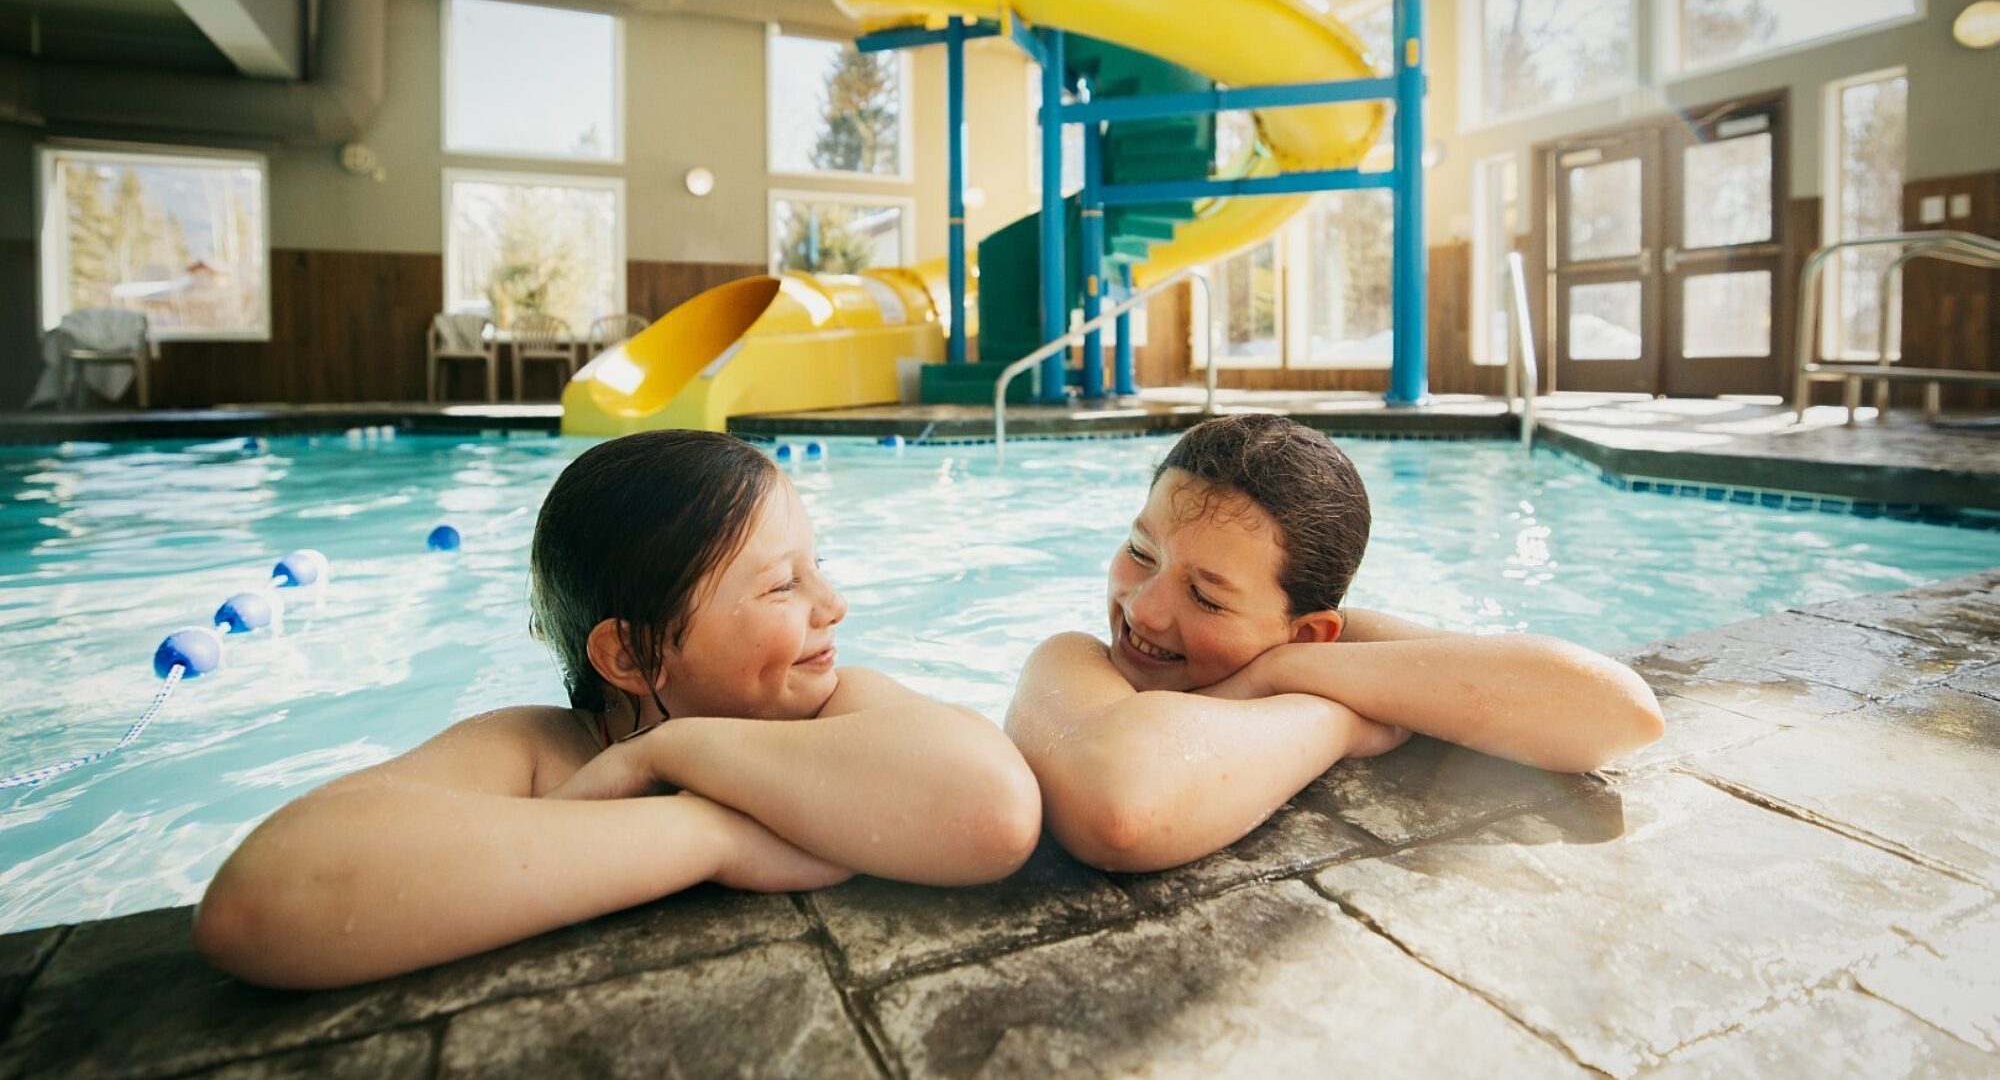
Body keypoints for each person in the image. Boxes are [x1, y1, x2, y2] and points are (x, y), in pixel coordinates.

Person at [195, 430, 1041, 989]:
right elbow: (261, 904)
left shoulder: (829, 707)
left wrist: (669, 754)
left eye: (819, 565)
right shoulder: (536, 750)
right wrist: (709, 835)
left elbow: (996, 811)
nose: (835, 603)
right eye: (784, 583)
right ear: (630, 654)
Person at [1006, 414, 1663, 874]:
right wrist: (1322, 713)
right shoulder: (1071, 660)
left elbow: (1620, 712)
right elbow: (1118, 804)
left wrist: (1296, 666)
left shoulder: (1320, 643)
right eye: (1140, 551)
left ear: (1310, 630)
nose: (1143, 608)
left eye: (1206, 596)